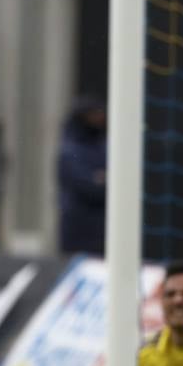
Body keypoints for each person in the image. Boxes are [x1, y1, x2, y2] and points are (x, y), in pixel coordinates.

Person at [57, 96, 107, 256]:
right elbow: (88, 186)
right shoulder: (70, 150)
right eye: (94, 115)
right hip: (76, 230)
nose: (99, 119)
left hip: (103, 230)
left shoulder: (106, 147)